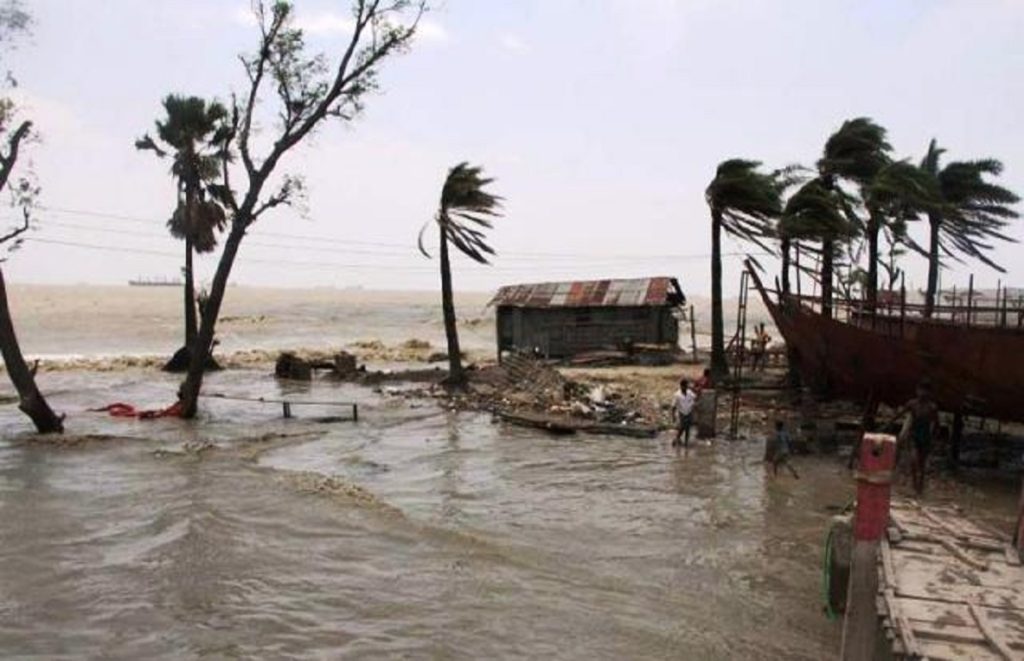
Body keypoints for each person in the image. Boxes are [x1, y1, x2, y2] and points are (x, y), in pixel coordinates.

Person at [891, 382, 939, 495]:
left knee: (921, 465)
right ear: (917, 390)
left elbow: (936, 424)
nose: (921, 393)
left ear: (929, 393)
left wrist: (934, 439)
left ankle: (919, 488)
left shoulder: (932, 407)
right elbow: (901, 414)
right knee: (913, 460)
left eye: (924, 391)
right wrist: (889, 423)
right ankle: (914, 484)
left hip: (925, 436)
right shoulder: (912, 404)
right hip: (913, 434)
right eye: (920, 390)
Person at [672, 378, 696, 448]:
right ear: (681, 386)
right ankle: (676, 439)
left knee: (688, 428)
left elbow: (694, 398)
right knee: (682, 427)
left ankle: (686, 442)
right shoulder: (677, 395)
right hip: (682, 413)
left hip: (689, 412)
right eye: (685, 386)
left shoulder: (689, 392)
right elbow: (673, 406)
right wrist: (673, 416)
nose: (686, 388)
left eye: (687, 386)